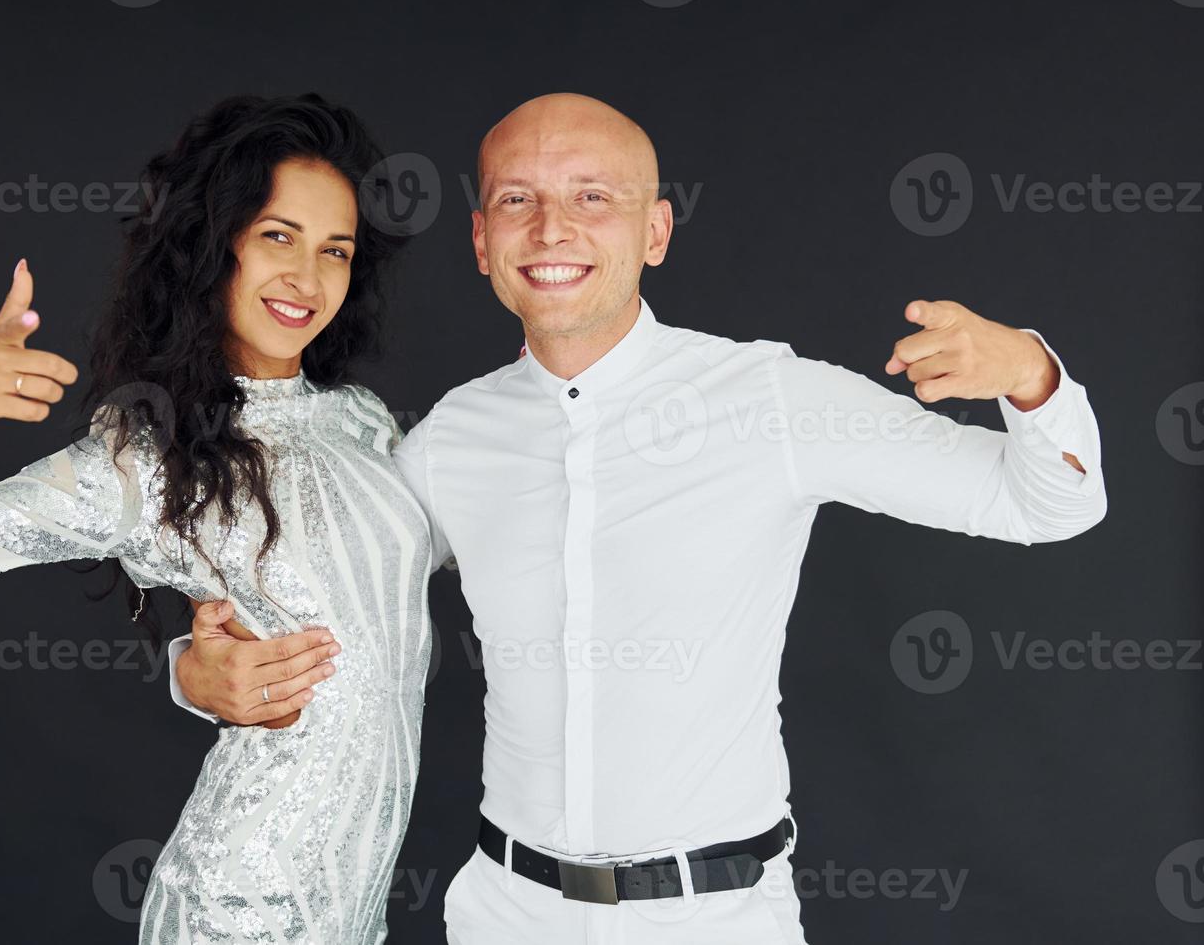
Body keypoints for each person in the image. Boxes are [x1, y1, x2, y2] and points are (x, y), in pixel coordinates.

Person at [172, 93, 1107, 943]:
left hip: (716, 920)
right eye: (516, 201)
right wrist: (191, 667)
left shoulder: (773, 399)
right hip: (504, 913)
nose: (551, 229)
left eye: (593, 198)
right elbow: (313, 582)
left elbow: (1047, 504)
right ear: (480, 240)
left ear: (655, 230)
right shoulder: (451, 439)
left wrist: (1031, 374)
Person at [0, 94, 435, 944]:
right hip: (238, 908)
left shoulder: (363, 422)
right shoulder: (147, 458)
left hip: (358, 907)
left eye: (334, 249)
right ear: (211, 243)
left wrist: (190, 663)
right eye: (277, 236)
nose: (308, 277)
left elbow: (435, 565)